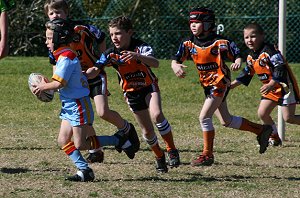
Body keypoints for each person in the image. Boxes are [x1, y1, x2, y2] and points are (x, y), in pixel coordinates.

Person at [32, 19, 138, 182]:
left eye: (49, 38)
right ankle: (84, 170)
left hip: (78, 106)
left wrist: (42, 87)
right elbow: (59, 81)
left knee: (80, 144)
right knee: (62, 140)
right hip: (69, 105)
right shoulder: (61, 55)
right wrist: (47, 83)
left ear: (59, 37)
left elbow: (60, 83)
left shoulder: (67, 57)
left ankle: (118, 139)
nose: (46, 42)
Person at [171, 7, 273, 167]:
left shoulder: (220, 42)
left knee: (204, 117)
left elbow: (237, 54)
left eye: (197, 22)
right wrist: (175, 66)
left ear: (208, 24)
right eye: (191, 22)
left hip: (219, 83)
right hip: (207, 85)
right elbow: (175, 59)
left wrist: (237, 61)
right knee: (226, 120)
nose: (193, 25)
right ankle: (261, 130)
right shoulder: (188, 43)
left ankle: (207, 155)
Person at [90, 16, 180, 173]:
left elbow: (155, 63)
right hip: (131, 93)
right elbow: (96, 69)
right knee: (147, 131)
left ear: (129, 32)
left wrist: (137, 56)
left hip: (148, 87)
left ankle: (171, 149)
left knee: (157, 114)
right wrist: (83, 74)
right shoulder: (111, 54)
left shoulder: (140, 47)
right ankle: (159, 156)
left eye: (118, 33)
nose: (114, 38)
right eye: (111, 35)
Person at [231, 22, 300, 146]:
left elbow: (280, 67)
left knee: (289, 118)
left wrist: (272, 83)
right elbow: (247, 72)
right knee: (262, 113)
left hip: (285, 88)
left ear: (262, 36)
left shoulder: (270, 51)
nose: (249, 40)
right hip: (271, 90)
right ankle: (274, 137)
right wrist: (231, 85)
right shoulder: (251, 56)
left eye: (253, 36)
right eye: (246, 37)